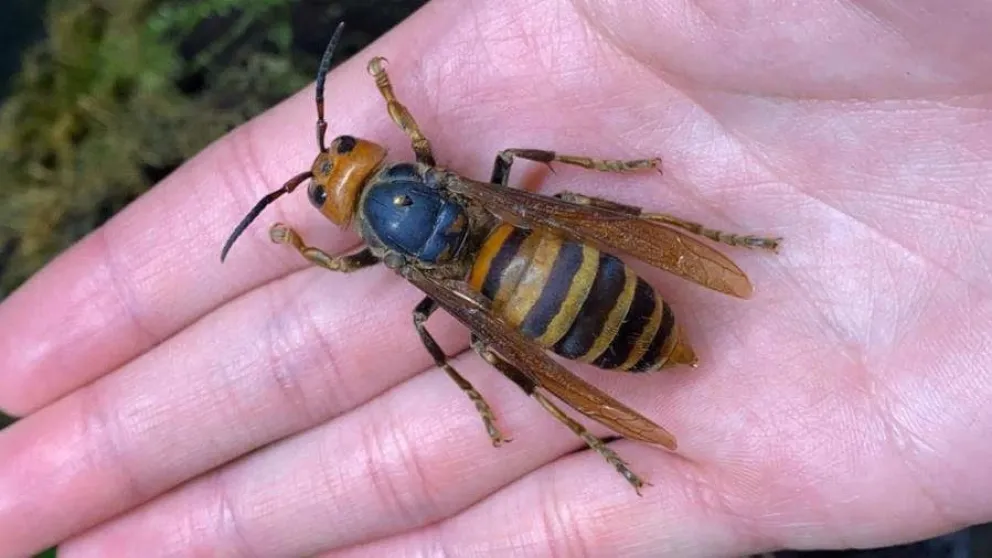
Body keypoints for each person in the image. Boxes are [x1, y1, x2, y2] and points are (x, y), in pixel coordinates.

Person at [0, 1, 989, 556]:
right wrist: (386, 98)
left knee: (471, 331)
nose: (336, 160)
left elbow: (352, 270)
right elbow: (434, 162)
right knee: (557, 195)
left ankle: (590, 425)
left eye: (334, 155)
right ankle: (683, 246)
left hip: (519, 296)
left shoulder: (383, 250)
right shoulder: (432, 172)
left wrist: (308, 252)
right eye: (335, 167)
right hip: (540, 256)